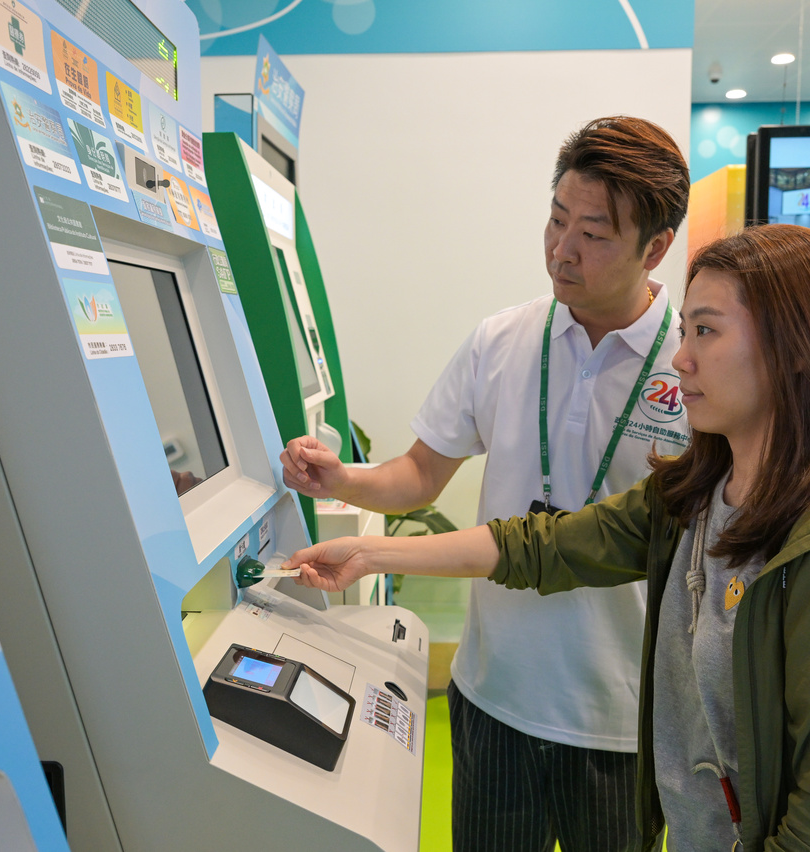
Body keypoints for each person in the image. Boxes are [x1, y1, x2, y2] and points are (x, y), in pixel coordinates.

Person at [284, 224, 810, 852]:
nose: (682, 359)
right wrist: (367, 554)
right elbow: (546, 545)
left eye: (706, 331)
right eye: (685, 332)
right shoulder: (698, 495)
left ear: (795, 348)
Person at [280, 116, 690, 852]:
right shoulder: (502, 339)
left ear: (655, 248)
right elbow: (419, 475)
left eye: (593, 234)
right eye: (556, 220)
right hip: (494, 698)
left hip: (623, 721)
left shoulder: (689, 368)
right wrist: (342, 479)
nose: (562, 250)